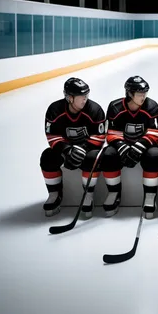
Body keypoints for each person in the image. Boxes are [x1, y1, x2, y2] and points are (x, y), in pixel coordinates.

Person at [40, 78, 106, 217]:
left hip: (87, 149)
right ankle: (54, 194)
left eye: (86, 96)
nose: (85, 100)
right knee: (47, 157)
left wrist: (81, 149)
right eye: (82, 97)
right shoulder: (55, 110)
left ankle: (88, 195)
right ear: (70, 98)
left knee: (94, 158)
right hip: (66, 150)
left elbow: (99, 138)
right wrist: (66, 150)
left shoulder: (95, 110)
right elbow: (52, 136)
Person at [104, 76, 158, 218]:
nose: (143, 97)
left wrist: (141, 145)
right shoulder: (115, 107)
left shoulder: (152, 106)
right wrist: (120, 145)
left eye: (145, 93)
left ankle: (150, 195)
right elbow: (110, 132)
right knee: (108, 154)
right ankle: (114, 193)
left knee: (154, 155)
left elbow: (157, 133)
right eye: (140, 94)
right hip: (123, 145)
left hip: (144, 146)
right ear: (130, 94)